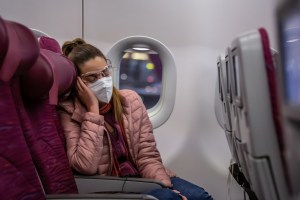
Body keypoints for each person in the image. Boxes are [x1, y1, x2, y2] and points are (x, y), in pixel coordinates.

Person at [58, 38, 214, 200]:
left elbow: (147, 156)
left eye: (105, 72)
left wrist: (163, 185)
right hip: (110, 188)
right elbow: (85, 167)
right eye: (92, 78)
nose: (102, 81)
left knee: (201, 197)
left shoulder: (130, 101)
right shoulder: (68, 112)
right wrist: (93, 109)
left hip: (142, 178)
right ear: (77, 83)